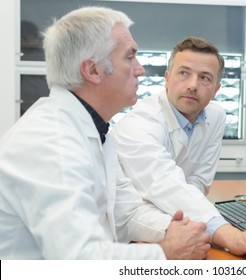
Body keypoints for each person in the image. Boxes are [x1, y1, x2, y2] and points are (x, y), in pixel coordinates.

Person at [0, 6, 211, 260]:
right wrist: (166, 252)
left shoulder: (96, 130)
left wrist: (174, 229)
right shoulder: (51, 142)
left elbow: (126, 212)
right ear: (92, 71)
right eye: (130, 57)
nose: (140, 69)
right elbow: (80, 260)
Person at [111, 37, 246, 260]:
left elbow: (198, 181)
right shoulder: (139, 123)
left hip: (174, 216)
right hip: (126, 229)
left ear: (216, 89)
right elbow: (164, 185)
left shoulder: (215, 116)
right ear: (167, 79)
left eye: (205, 78)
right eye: (184, 73)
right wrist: (230, 236)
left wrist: (198, 223)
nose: (192, 85)